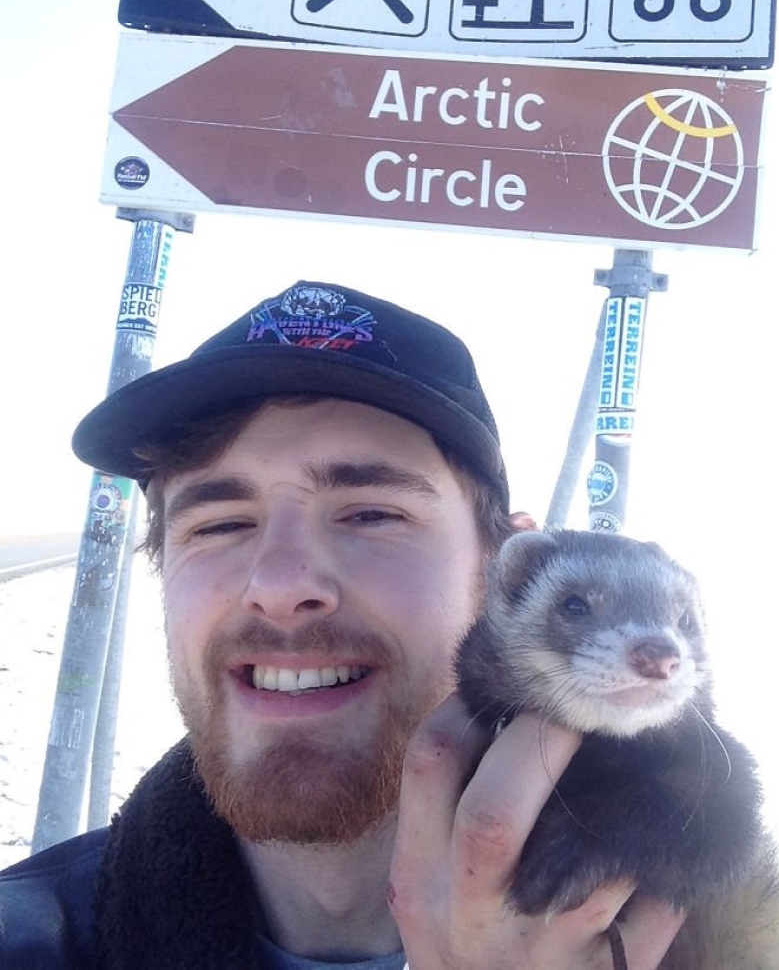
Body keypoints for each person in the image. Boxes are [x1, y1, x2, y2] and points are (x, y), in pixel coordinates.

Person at [0, 280, 684, 969]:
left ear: (500, 577)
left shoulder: (711, 924)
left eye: (370, 513)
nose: (280, 585)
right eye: (220, 523)